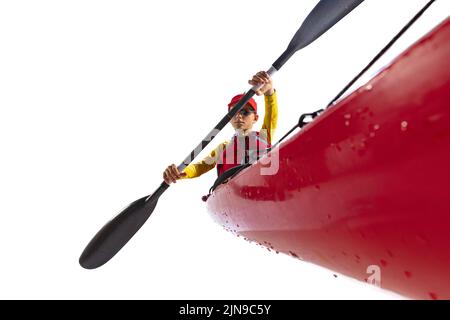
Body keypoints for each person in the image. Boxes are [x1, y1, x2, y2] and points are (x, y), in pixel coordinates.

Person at [163, 71, 278, 184]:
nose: (238, 116)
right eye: (234, 112)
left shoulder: (264, 135)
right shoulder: (223, 148)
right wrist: (180, 171)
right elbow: (200, 167)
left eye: (245, 112)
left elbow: (271, 114)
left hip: (260, 184)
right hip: (233, 194)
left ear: (256, 118)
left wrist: (269, 92)